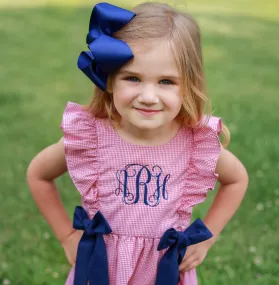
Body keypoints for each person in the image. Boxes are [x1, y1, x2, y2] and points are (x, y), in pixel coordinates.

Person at [26, 2, 248, 285]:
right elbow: (38, 174)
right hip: (101, 269)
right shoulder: (92, 137)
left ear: (188, 84)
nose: (148, 96)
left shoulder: (194, 143)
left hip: (165, 273)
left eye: (166, 81)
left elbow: (237, 180)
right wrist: (66, 235)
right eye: (133, 78)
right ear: (109, 80)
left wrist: (206, 238)